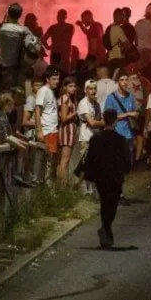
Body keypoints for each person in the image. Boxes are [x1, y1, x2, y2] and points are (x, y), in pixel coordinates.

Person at [83, 109, 131, 249]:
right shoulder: (120, 140)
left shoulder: (96, 138)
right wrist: (126, 170)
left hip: (101, 175)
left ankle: (105, 228)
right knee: (112, 203)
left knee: (105, 201)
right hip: (115, 176)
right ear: (116, 121)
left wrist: (89, 174)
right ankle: (106, 228)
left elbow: (90, 158)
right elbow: (126, 159)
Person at [0, 3, 30, 90]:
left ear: (8, 14)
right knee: (12, 89)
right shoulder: (23, 30)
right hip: (15, 67)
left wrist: (4, 21)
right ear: (20, 15)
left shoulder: (1, 27)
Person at [103, 69, 140, 162]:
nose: (124, 83)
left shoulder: (130, 96)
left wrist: (135, 114)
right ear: (117, 82)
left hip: (129, 132)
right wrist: (127, 114)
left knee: (128, 160)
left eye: (126, 79)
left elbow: (134, 111)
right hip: (116, 133)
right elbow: (109, 118)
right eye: (122, 80)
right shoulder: (111, 98)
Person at [78, 79, 104, 195]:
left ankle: (91, 187)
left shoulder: (96, 104)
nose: (93, 91)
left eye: (94, 89)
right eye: (90, 89)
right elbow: (92, 122)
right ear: (85, 90)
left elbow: (100, 120)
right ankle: (84, 187)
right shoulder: (83, 103)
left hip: (95, 136)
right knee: (85, 162)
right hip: (86, 136)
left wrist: (100, 122)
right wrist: (102, 123)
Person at [35, 67, 61, 180]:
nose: (57, 81)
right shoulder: (43, 91)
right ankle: (46, 186)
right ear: (47, 79)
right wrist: (39, 131)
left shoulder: (51, 92)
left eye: (58, 79)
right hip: (47, 131)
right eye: (54, 79)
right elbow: (37, 112)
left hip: (53, 130)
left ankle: (48, 185)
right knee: (47, 160)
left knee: (51, 160)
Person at [56, 77, 78, 185]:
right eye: (70, 86)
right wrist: (76, 113)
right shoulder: (65, 98)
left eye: (74, 86)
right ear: (64, 87)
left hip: (69, 129)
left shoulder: (69, 98)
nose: (73, 88)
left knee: (65, 161)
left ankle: (63, 186)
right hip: (66, 129)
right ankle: (62, 188)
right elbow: (64, 118)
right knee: (64, 161)